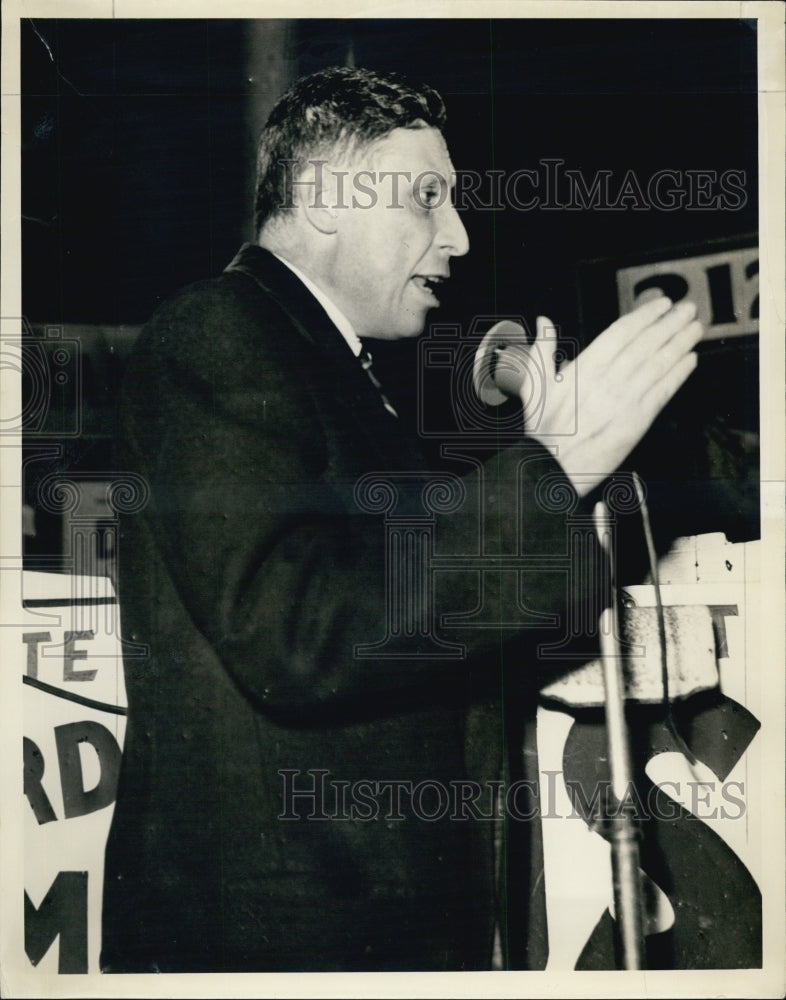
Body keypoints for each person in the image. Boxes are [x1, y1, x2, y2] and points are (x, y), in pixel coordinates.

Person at [100, 66, 702, 973]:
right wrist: (557, 467)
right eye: (426, 198)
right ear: (322, 198)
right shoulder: (217, 331)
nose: (457, 236)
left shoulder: (333, 371)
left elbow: (405, 616)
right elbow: (299, 633)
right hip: (279, 942)